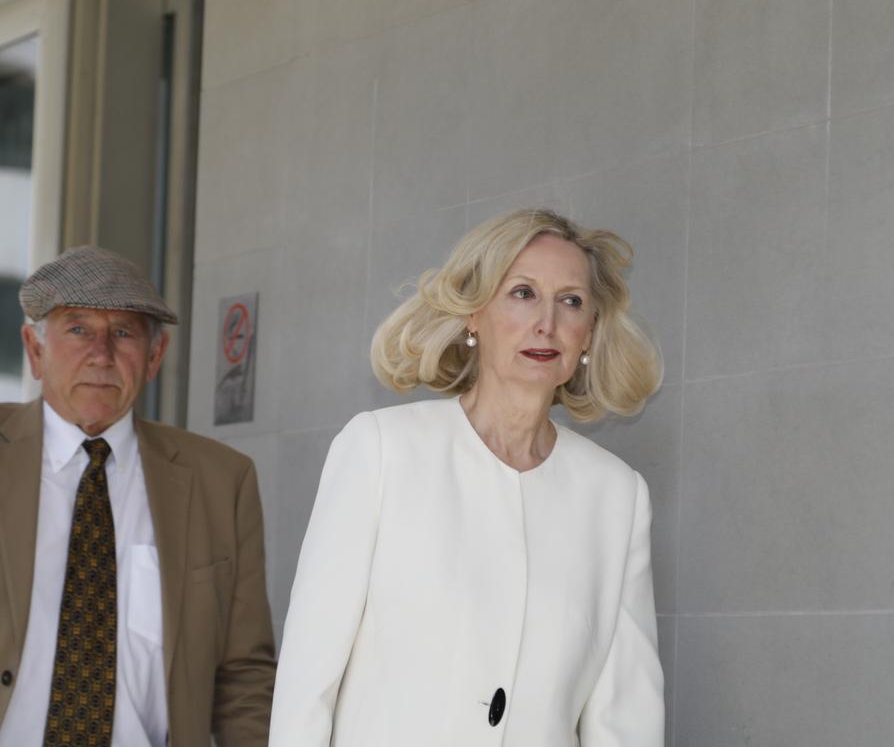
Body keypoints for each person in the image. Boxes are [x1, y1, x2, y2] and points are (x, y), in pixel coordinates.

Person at [270, 209, 665, 745]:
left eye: (570, 300)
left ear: (589, 330)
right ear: (473, 313)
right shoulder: (381, 449)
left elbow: (626, 717)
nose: (546, 322)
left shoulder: (617, 496)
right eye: (523, 293)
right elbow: (307, 680)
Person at [0, 246, 276, 747]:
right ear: (35, 350)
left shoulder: (221, 481)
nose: (101, 354)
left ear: (154, 357)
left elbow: (244, 677)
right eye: (78, 329)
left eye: (123, 333)